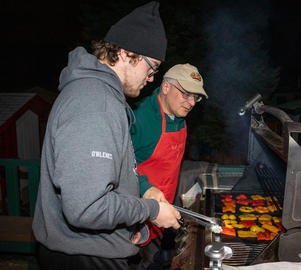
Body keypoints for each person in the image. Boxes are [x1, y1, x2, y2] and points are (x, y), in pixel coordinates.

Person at [32, 2, 181, 269]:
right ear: (125, 53)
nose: (151, 78)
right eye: (152, 67)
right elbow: (86, 208)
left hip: (94, 248)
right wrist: (152, 212)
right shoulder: (95, 102)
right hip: (85, 258)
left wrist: (140, 199)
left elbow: (106, 180)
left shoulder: (101, 96)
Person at [129, 64, 208, 269]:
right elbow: (118, 168)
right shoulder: (140, 119)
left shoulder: (179, 116)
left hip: (166, 214)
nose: (191, 103)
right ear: (165, 87)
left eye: (196, 97)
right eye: (186, 94)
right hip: (138, 218)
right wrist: (145, 190)